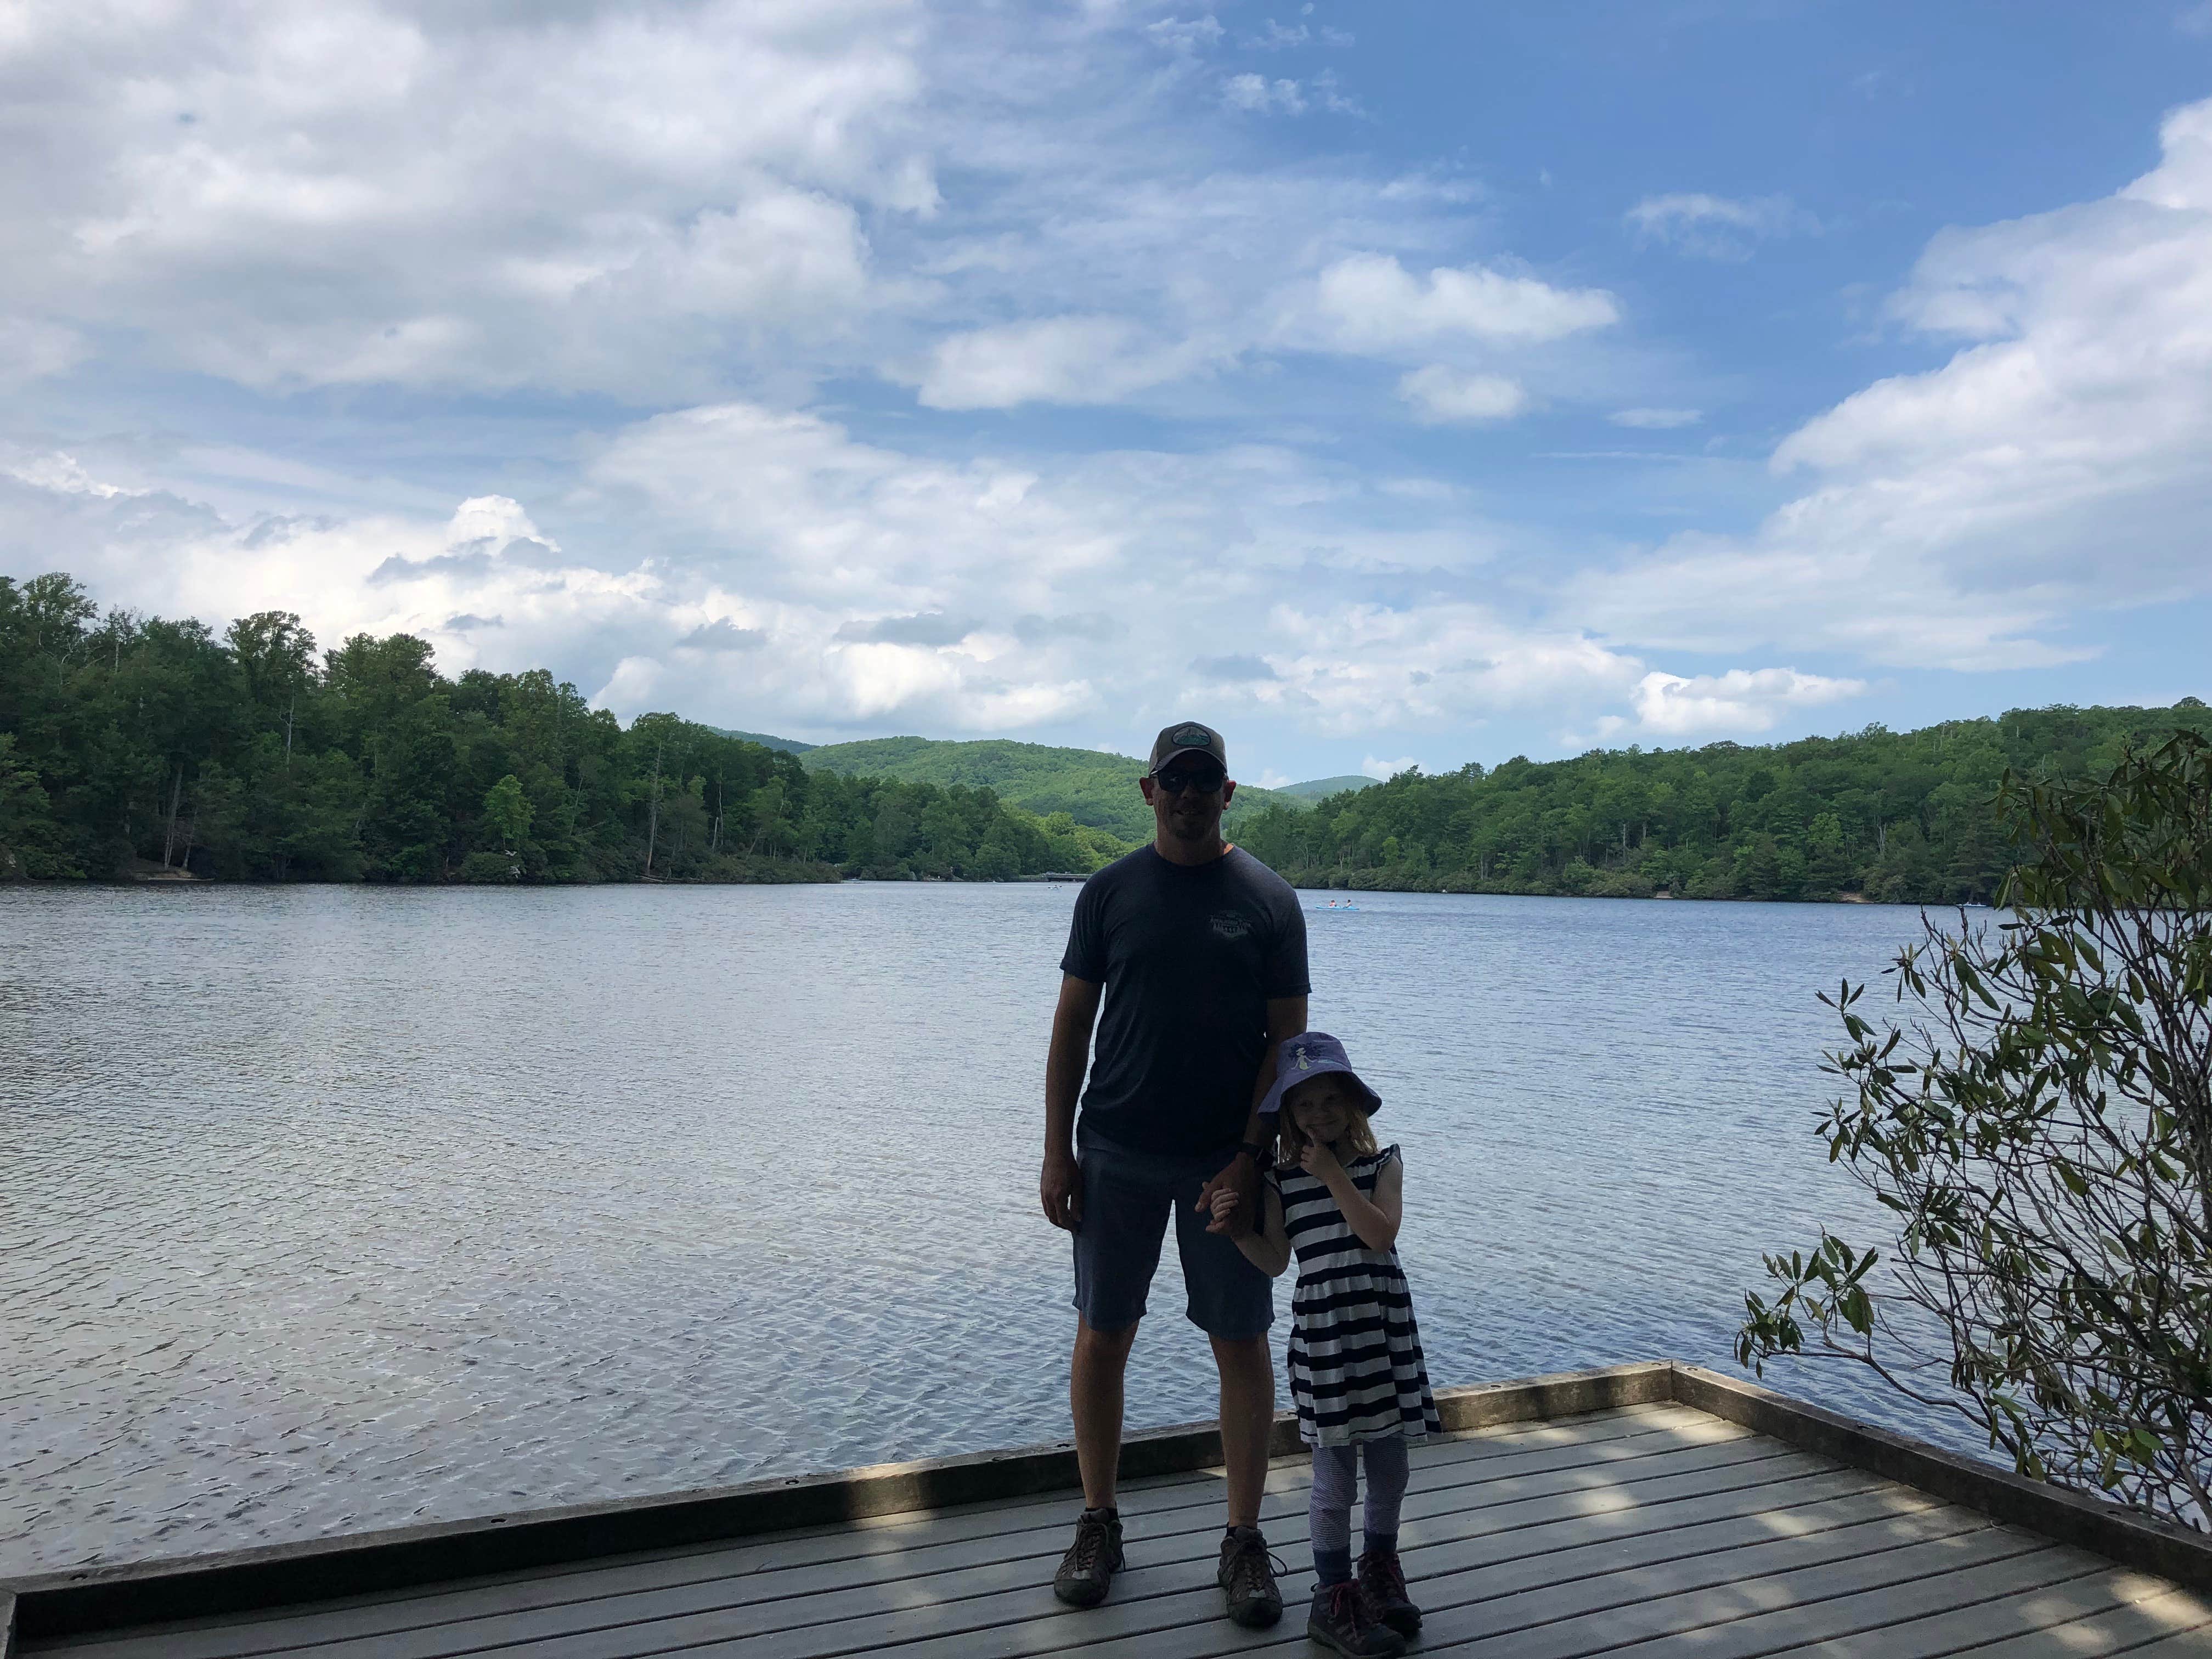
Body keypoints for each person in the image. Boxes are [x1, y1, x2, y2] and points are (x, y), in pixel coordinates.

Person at [1041, 719, 1310, 1628]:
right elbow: (1071, 1027)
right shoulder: (1109, 892)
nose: (1190, 792)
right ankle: (1098, 1521)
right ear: (1147, 789)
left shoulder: (1268, 900)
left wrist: (1250, 1153)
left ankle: (1242, 1540)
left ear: (1228, 792)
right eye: (1175, 778)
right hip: (1113, 1150)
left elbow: (1289, 1048)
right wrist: (1055, 1149)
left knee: (1239, 1342)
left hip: (1223, 1162)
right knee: (1102, 1334)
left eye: (1207, 779)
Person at [1210, 1031, 1441, 1658]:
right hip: (1327, 1347)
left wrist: (1336, 1174)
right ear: (1287, 1113)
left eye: (1331, 1100)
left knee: (1391, 1466)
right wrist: (1235, 1233)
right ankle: (1332, 1596)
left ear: (1353, 1105)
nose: (1318, 1115)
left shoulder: (1382, 1163)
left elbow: (1378, 1234)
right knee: (1335, 1478)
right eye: (1304, 1105)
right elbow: (1277, 1260)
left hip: (1383, 1338)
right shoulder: (1282, 1182)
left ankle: (1379, 1573)